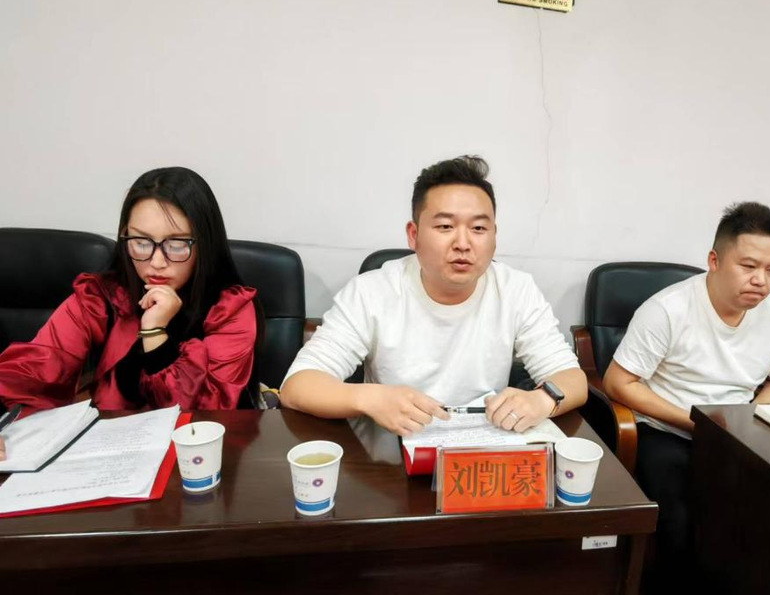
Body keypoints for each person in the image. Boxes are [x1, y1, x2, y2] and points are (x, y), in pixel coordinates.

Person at [602, 201, 770, 595]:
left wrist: (749, 417)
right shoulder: (669, 309)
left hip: (740, 434)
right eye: (748, 266)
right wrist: (700, 424)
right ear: (714, 260)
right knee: (680, 521)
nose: (761, 280)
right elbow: (619, 381)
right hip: (667, 429)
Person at [280, 155, 586, 435]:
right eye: (445, 226)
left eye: (479, 228)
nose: (463, 243)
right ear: (413, 235)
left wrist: (542, 400)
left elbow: (572, 378)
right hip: (392, 449)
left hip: (482, 448)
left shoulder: (515, 290)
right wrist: (370, 398)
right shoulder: (372, 292)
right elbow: (297, 386)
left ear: (494, 236)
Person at [0, 167, 261, 447]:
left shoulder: (230, 309)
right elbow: (37, 365)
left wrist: (155, 331)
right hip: (109, 450)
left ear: (205, 243)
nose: (157, 262)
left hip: (197, 458)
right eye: (141, 242)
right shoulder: (101, 296)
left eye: (176, 244)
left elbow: (203, 419)